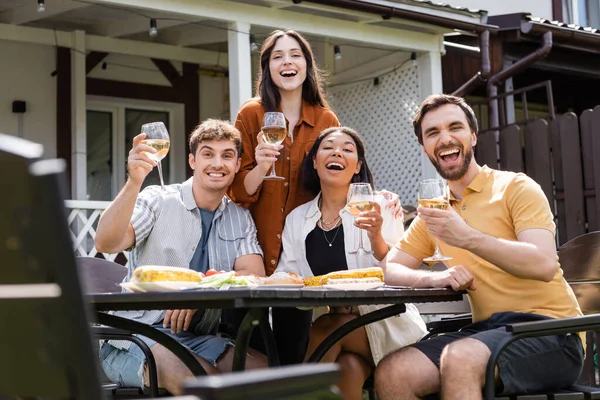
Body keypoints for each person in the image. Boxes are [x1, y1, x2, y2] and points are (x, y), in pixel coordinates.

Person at [374, 94, 584, 400]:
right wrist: (434, 278)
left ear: (472, 136)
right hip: (486, 332)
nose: (444, 138)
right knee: (393, 373)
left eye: (454, 127)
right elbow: (389, 268)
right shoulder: (435, 212)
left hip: (552, 333)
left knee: (460, 358)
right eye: (432, 133)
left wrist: (467, 237)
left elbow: (543, 264)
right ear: (425, 148)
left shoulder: (515, 187)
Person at [95, 119, 267, 395]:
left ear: (237, 165)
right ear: (192, 160)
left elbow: (255, 275)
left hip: (199, 338)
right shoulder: (158, 199)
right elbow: (107, 241)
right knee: (202, 380)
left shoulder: (239, 217)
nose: (217, 164)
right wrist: (134, 180)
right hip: (134, 337)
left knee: (264, 375)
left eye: (227, 156)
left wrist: (201, 290)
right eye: (207, 154)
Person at [275, 127, 427, 400]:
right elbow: (288, 277)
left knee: (324, 329)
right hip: (342, 330)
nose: (337, 152)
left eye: (347, 149)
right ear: (314, 160)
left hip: (388, 324)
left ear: (357, 166)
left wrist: (376, 237)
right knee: (348, 368)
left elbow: (397, 270)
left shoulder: (379, 206)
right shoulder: (297, 219)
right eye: (328, 147)